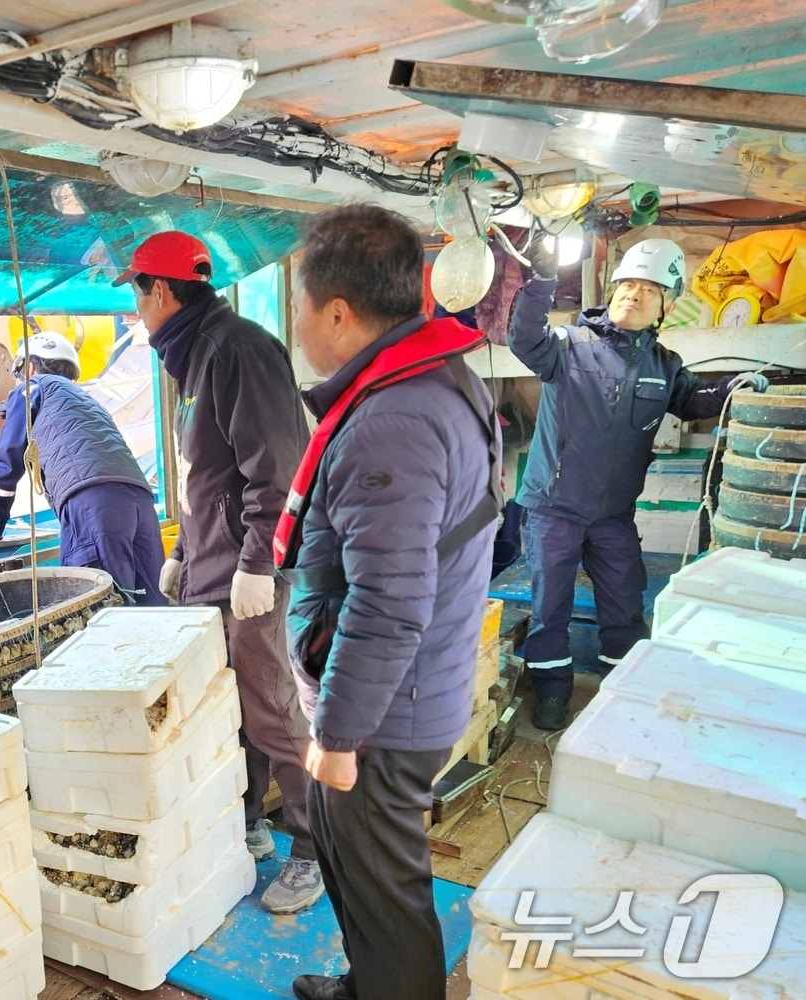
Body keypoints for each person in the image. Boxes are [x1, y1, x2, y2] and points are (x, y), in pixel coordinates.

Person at [277, 204, 502, 1000]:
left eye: (301, 305)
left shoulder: (391, 422)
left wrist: (338, 732)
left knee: (388, 892)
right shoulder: (438, 378)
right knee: (362, 874)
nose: (298, 323)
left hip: (383, 714)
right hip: (405, 691)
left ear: (337, 312)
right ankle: (367, 983)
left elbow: (388, 601)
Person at [118, 229, 323, 914]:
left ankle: (314, 848)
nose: (136, 309)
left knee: (271, 710)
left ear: (165, 289)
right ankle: (250, 823)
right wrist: (182, 549)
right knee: (233, 710)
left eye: (139, 293)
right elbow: (207, 474)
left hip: (249, 574)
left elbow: (278, 465)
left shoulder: (235, 350)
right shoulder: (192, 358)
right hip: (212, 564)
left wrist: (260, 563)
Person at [510, 237, 767, 731]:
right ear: (612, 291)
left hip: (612, 517)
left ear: (665, 305)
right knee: (549, 607)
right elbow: (525, 340)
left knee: (625, 605)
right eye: (627, 284)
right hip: (554, 508)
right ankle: (552, 689)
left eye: (649, 289)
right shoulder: (568, 346)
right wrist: (541, 281)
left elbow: (693, 399)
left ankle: (620, 690)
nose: (634, 294)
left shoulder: (664, 365)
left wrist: (730, 385)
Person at [0, 331, 167, 605]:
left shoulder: (32, 387)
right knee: (153, 607)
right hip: (140, 502)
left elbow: (6, 463)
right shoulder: (87, 400)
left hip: (94, 505)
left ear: (29, 367)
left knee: (97, 610)